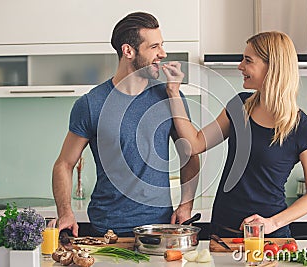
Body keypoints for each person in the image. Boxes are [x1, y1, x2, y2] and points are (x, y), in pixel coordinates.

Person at [164, 31, 307, 237]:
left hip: (267, 237)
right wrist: (173, 92)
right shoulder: (239, 106)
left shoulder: (305, 129)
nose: (240, 66)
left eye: (248, 61)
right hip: (222, 231)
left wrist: (272, 223)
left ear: (272, 67)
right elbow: (195, 144)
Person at [52, 12, 200, 237]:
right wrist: (65, 213)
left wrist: (186, 205)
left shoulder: (170, 98)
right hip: (107, 230)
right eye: (154, 47)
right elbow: (64, 163)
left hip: (159, 229)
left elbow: (190, 155)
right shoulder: (91, 104)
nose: (163, 53)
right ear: (128, 51)